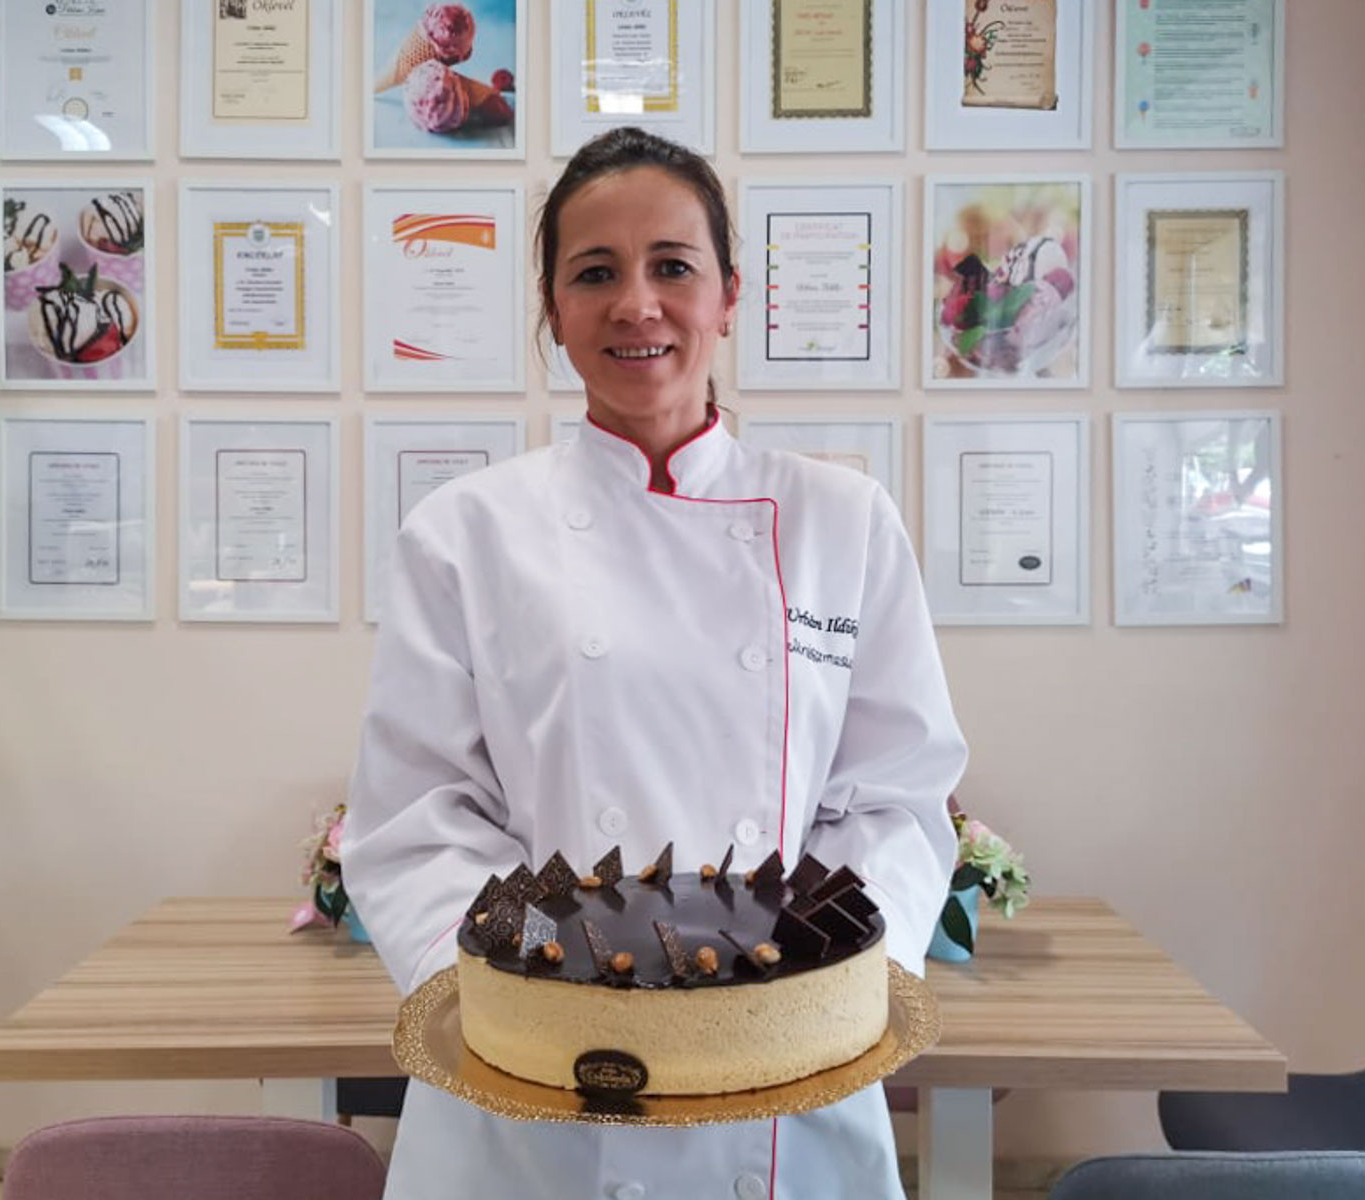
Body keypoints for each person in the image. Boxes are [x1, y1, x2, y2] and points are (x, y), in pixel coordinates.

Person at [342, 126, 967, 1200]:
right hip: (535, 1096)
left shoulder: (842, 521)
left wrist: (801, 992)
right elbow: (417, 816)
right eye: (595, 274)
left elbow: (895, 800)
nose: (637, 304)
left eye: (672, 266)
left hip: (785, 1078)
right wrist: (544, 1006)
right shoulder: (465, 533)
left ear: (729, 296)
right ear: (553, 310)